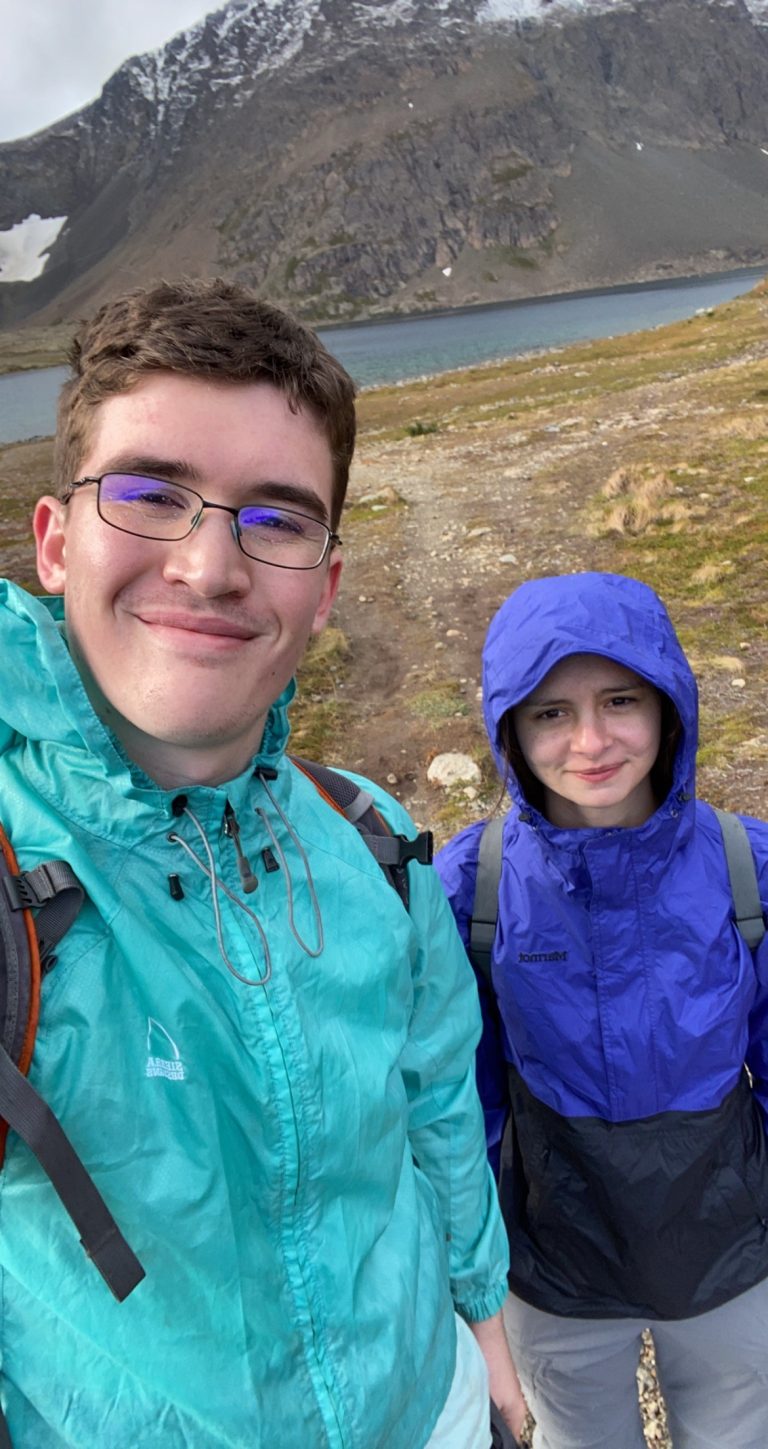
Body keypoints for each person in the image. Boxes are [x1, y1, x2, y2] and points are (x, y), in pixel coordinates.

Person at [0, 277, 526, 1448]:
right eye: (150, 494)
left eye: (277, 518)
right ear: (54, 541)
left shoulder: (369, 837)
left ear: (325, 587)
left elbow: (436, 1097)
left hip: (427, 1405)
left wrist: (486, 1336)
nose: (209, 565)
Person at [436, 571, 768, 1449]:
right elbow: (457, 1108)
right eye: (550, 712)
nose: (589, 740)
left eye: (620, 699)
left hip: (735, 1261)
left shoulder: (747, 869)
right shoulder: (473, 890)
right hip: (555, 1272)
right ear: (509, 727)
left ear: (669, 706)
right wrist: (472, 1289)